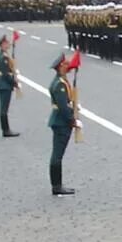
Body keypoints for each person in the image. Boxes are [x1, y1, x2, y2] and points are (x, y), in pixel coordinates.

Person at [48, 51, 80, 196]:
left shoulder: (62, 81)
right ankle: (56, 185)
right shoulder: (59, 84)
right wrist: (72, 120)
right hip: (61, 122)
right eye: (66, 64)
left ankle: (57, 185)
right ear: (60, 67)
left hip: (60, 121)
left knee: (57, 154)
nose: (68, 65)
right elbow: (62, 106)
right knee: (57, 155)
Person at [0, 33, 21, 137]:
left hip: (3, 83)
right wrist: (15, 83)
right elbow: (6, 74)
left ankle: (5, 129)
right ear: (2, 45)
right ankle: (5, 130)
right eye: (6, 43)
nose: (8, 44)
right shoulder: (4, 57)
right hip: (5, 84)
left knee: (4, 108)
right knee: (4, 108)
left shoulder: (2, 55)